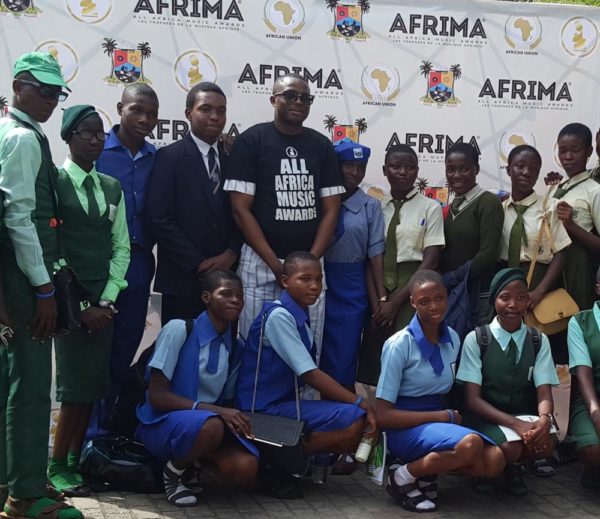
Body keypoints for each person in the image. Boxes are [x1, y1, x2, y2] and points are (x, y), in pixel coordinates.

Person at [0, 52, 82, 519]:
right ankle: (26, 494)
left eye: (57, 93)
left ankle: (11, 482)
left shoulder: (13, 132)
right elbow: (19, 220)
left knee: (11, 386)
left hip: (13, 279)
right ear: (18, 86)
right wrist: (44, 288)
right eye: (43, 90)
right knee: (31, 391)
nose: (51, 100)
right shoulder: (23, 138)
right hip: (25, 280)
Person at [236, 251, 377, 498]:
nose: (314, 286)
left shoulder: (299, 315)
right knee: (354, 417)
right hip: (261, 409)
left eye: (319, 279)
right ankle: (277, 464)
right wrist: (359, 400)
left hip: (284, 404)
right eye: (305, 279)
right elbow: (310, 374)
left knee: (354, 423)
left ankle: (286, 462)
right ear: (285, 282)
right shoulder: (279, 316)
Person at [224, 73, 344, 354]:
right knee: (254, 346)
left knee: (306, 349)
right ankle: (253, 400)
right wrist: (277, 267)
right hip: (262, 264)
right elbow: (241, 211)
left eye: (305, 98)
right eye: (290, 95)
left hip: (309, 267)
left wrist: (309, 265)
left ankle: (303, 400)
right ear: (274, 99)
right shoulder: (252, 140)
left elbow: (331, 210)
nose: (298, 102)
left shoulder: (321, 145)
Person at [48, 105, 130, 497]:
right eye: (87, 133)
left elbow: (122, 248)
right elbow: (53, 249)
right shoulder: (54, 182)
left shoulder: (112, 187)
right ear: (68, 137)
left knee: (92, 387)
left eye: (100, 133)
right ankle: (55, 464)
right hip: (69, 306)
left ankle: (73, 461)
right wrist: (82, 308)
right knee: (72, 389)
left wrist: (109, 301)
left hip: (104, 306)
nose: (97, 139)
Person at [376, 270, 504, 513]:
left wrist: (445, 417)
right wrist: (442, 417)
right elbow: (383, 415)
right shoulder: (399, 345)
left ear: (446, 296)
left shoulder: (452, 338)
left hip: (438, 422)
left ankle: (425, 473)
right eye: (424, 302)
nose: (434, 306)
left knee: (495, 461)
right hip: (403, 427)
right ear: (413, 303)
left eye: (439, 298)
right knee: (470, 445)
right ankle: (401, 476)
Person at [136, 270, 258, 507]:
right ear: (206, 298)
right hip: (162, 421)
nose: (236, 300)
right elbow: (157, 396)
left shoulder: (236, 346)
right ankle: (173, 473)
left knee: (246, 467)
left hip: (207, 424)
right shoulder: (179, 330)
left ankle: (194, 463)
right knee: (211, 425)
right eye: (226, 294)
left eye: (240, 296)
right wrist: (213, 411)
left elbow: (227, 402)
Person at [457, 268, 559, 496]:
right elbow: (473, 400)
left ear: (527, 301)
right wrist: (515, 424)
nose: (513, 304)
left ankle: (511, 467)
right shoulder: (477, 339)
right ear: (494, 300)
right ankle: (487, 469)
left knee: (546, 443)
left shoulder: (538, 340)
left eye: (521, 297)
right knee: (510, 447)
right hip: (485, 417)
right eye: (505, 297)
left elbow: (544, 393)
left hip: (523, 415)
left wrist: (544, 420)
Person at [92, 84, 159, 434]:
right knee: (95, 356)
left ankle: (106, 437)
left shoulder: (156, 158)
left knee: (122, 355)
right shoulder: (96, 150)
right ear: (120, 108)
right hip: (100, 265)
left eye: (151, 114)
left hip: (140, 264)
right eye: (137, 110)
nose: (144, 119)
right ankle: (85, 440)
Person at [147, 82, 241, 325]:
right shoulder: (169, 157)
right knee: (179, 350)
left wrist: (231, 253)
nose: (215, 116)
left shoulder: (235, 156)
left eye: (221, 111)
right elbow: (159, 218)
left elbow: (243, 211)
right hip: (182, 279)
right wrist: (198, 264)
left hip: (228, 279)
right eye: (206, 109)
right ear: (189, 113)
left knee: (222, 355)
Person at [357, 144, 445, 386]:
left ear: (417, 171)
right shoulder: (375, 207)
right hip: (378, 284)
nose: (403, 172)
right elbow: (369, 258)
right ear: (385, 170)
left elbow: (431, 258)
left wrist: (395, 304)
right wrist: (379, 305)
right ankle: (378, 416)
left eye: (409, 167)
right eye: (396, 167)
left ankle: (409, 412)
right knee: (377, 355)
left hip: (414, 287)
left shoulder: (431, 207)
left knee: (409, 352)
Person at [320, 140, 385, 389]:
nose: (355, 173)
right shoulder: (322, 200)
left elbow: (375, 255)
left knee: (344, 353)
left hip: (351, 286)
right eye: (348, 166)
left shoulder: (370, 206)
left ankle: (344, 412)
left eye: (361, 167)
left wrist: (380, 298)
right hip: (319, 281)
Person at [500, 144, 571, 363]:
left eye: (533, 167)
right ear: (509, 169)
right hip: (505, 285)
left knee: (538, 351)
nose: (527, 172)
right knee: (507, 350)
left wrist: (540, 291)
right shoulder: (498, 209)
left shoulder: (550, 206)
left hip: (538, 286)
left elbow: (561, 253)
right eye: (520, 166)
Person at [441, 142, 504, 326]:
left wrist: (452, 278)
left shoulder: (488, 202)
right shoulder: (452, 206)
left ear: (476, 169)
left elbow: (488, 255)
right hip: (451, 292)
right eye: (450, 169)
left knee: (473, 347)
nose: (457, 175)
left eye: (464, 169)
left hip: (476, 293)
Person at [550, 123, 600, 313]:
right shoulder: (555, 188)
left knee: (576, 321)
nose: (567, 156)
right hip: (551, 267)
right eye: (562, 151)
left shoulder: (594, 191)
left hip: (578, 270)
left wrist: (571, 225)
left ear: (588, 151)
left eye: (575, 150)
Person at [567, 267, 600, 488]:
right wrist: (596, 412)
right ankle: (593, 469)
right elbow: (583, 374)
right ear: (598, 289)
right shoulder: (580, 322)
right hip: (591, 399)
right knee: (593, 449)